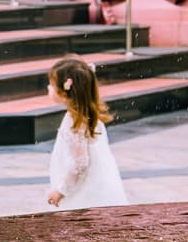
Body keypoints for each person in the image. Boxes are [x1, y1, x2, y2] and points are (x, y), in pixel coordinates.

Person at [45, 56, 129, 209]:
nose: (48, 88)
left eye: (52, 84)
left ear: (65, 91)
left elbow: (80, 163)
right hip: (99, 183)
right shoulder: (88, 116)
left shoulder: (74, 122)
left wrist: (61, 191)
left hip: (85, 193)